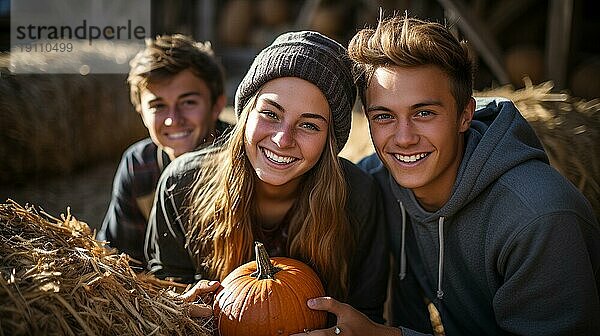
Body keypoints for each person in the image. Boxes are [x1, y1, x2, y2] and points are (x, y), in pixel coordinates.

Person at [297, 15, 600, 335]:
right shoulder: (376, 182)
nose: (404, 138)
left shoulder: (538, 218)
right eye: (384, 116)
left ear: (464, 115)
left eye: (424, 113)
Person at [144, 31, 389, 323]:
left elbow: (366, 313)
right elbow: (166, 285)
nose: (282, 139)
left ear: (330, 140)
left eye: (309, 125)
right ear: (246, 113)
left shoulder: (358, 195)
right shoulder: (182, 182)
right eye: (271, 114)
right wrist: (179, 306)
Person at [97, 34, 231, 267]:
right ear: (140, 111)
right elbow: (117, 257)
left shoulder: (242, 157)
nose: (173, 120)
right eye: (158, 106)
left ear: (217, 105)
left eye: (188, 102)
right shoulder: (138, 165)